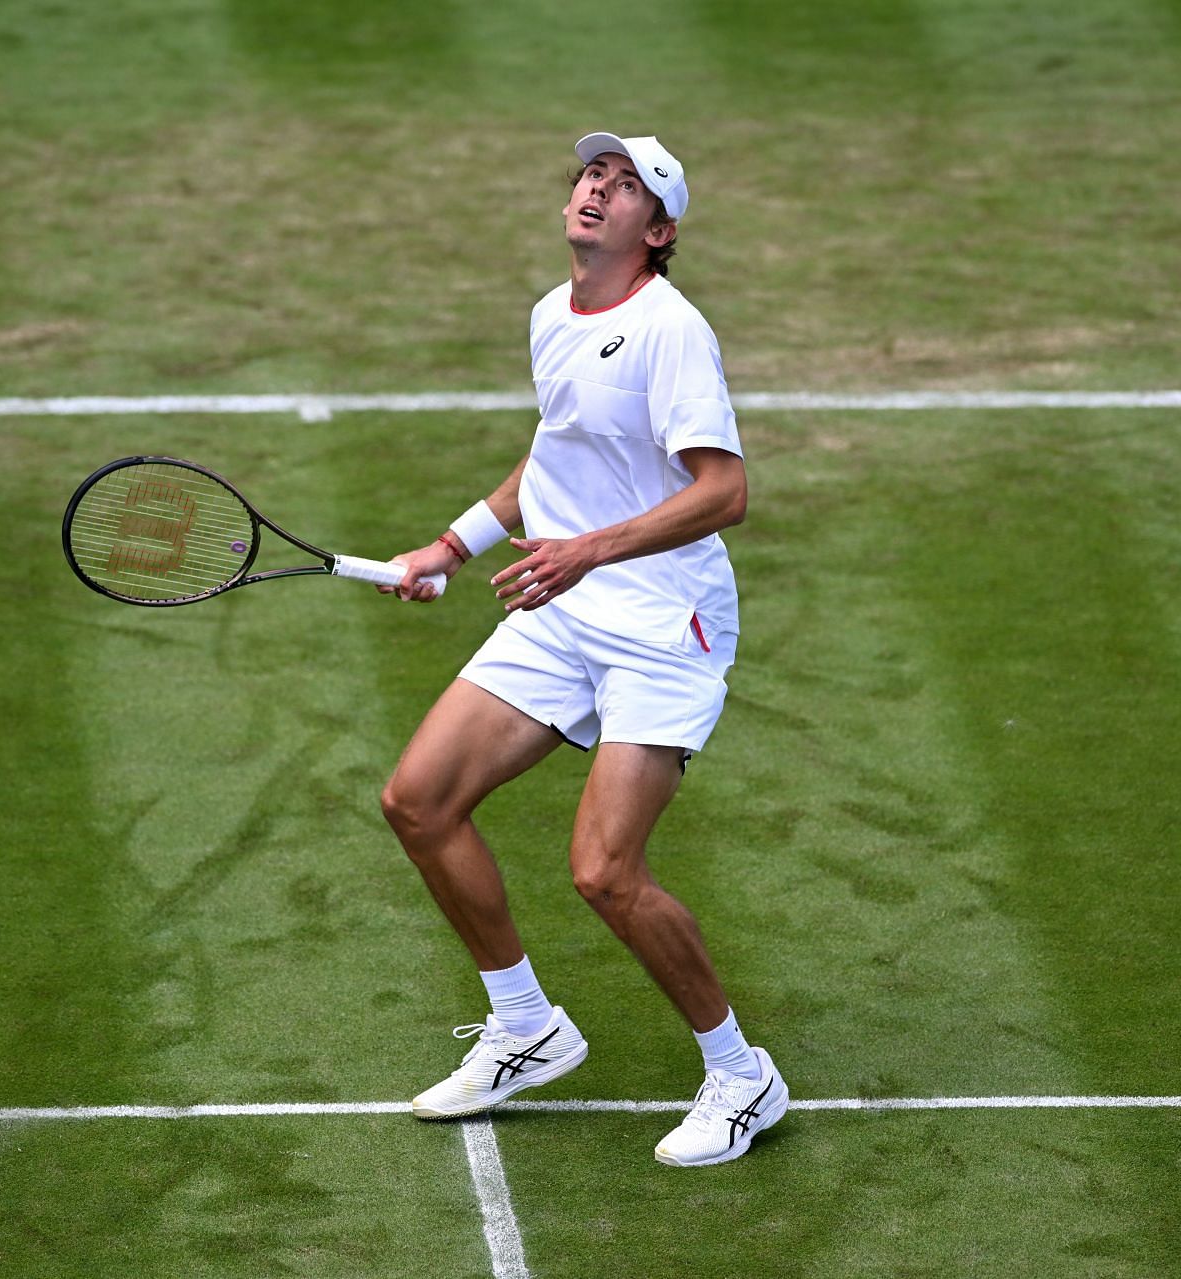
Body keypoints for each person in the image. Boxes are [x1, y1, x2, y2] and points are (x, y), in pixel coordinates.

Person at [377, 132, 786, 1168]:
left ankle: (743, 1075)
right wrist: (451, 544)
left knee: (606, 872)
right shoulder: (552, 317)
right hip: (564, 608)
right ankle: (526, 1026)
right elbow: (554, 450)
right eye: (590, 174)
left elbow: (724, 492)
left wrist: (584, 554)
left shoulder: (669, 332)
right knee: (418, 800)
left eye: (626, 184)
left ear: (659, 232)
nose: (597, 187)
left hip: (660, 626)